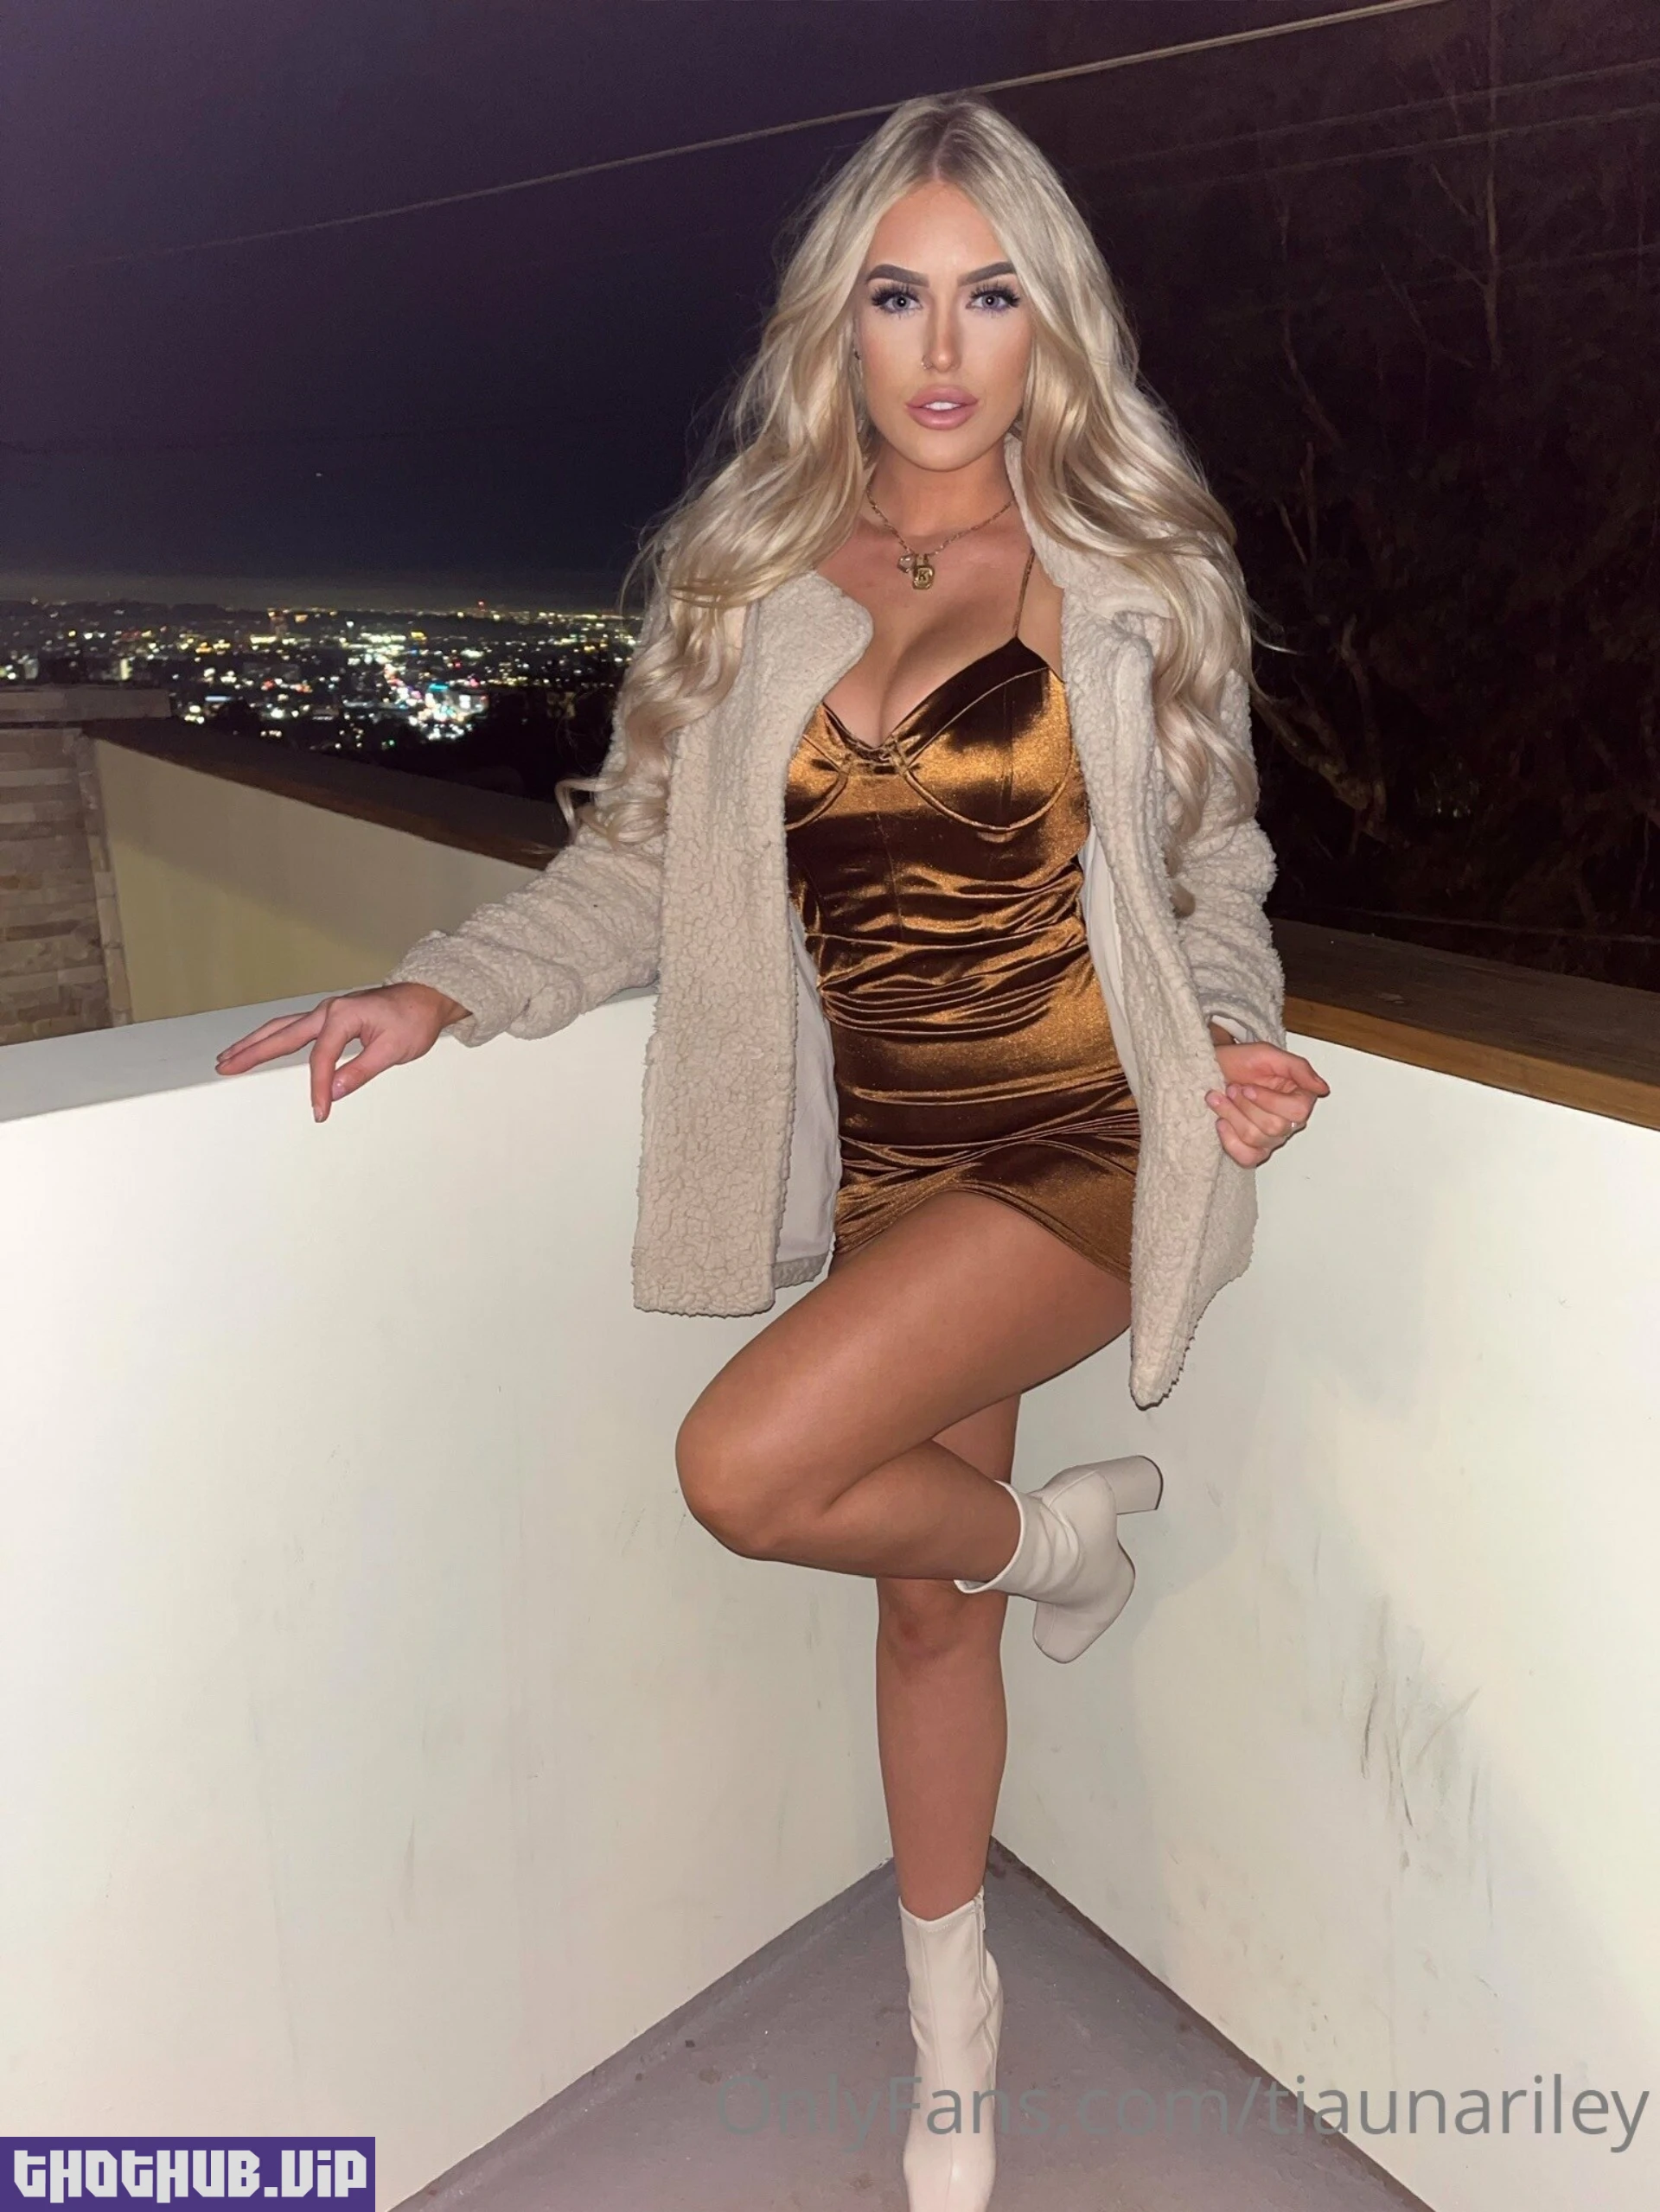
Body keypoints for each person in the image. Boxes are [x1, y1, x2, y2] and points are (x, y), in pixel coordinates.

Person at [215, 92, 1328, 2212]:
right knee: (919, 1604)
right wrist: (445, 990)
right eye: (900, 296)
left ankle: (1058, 1546)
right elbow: (638, 865)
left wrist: (1238, 1042)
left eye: (991, 296)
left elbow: (1217, 874)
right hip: (894, 1159)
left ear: (1052, 323)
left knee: (745, 1464)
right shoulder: (746, 581)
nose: (943, 347)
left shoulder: (1133, 578)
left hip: (1085, 1129)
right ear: (840, 323)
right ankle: (956, 2044)